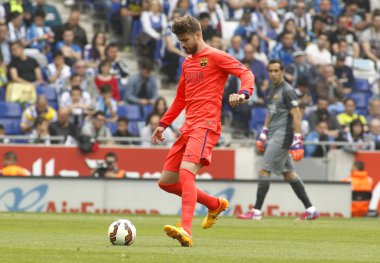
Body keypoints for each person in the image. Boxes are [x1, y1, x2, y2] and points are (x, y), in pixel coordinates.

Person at [151, 15, 254, 247]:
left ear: (198, 35)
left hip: (206, 126)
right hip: (187, 128)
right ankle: (214, 204)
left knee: (187, 173)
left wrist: (244, 93)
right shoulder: (187, 63)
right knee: (166, 182)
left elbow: (246, 73)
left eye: (186, 39)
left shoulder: (216, 57)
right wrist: (163, 124)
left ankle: (185, 230)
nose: (183, 45)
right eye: (180, 41)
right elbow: (180, 98)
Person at [237, 59, 319, 221]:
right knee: (289, 174)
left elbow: (296, 114)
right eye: (271, 71)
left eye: (276, 71)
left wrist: (297, 139)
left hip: (283, 136)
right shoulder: (271, 90)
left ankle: (256, 211)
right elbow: (270, 112)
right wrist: (264, 132)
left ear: (282, 72)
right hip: (274, 134)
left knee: (264, 170)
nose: (273, 74)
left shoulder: (288, 90)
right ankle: (311, 210)